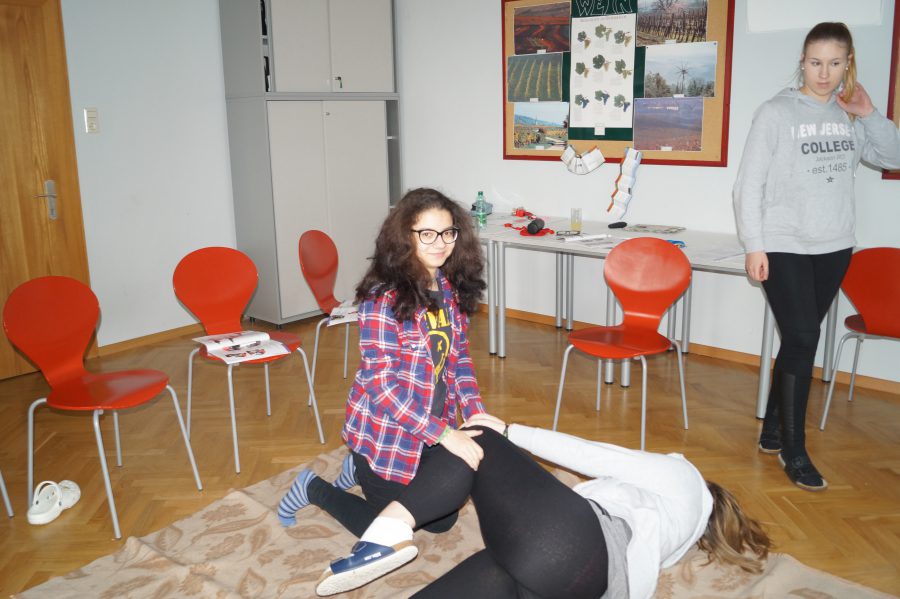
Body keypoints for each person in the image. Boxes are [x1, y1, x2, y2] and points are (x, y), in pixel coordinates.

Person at [276, 187, 495, 567]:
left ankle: (356, 470)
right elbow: (381, 384)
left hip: (432, 425)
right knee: (390, 530)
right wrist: (445, 435)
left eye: (447, 232)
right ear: (404, 237)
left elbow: (458, 359)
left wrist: (475, 411)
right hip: (387, 433)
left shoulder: (448, 288)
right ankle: (314, 488)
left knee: (441, 522)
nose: (440, 243)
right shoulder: (383, 299)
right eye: (427, 233)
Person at [315, 418, 771, 598]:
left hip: (579, 547)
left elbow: (600, 458)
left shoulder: (686, 477)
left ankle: (390, 528)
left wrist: (513, 432)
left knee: (477, 440)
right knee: (503, 566)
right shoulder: (674, 537)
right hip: (578, 585)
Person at [733, 22, 900, 491]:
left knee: (796, 340)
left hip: (835, 245)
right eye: (815, 62)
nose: (823, 73)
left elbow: (892, 157)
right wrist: (754, 244)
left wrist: (870, 114)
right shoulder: (775, 112)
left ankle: (771, 429)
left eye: (834, 63)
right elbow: (748, 185)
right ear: (802, 63)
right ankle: (795, 448)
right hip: (783, 242)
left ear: (847, 64)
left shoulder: (851, 117)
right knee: (806, 337)